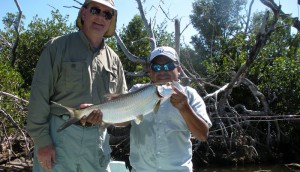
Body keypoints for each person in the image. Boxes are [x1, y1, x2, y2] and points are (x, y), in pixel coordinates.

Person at [26, 0, 127, 171]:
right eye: (95, 10)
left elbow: (124, 113)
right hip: (60, 137)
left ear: (111, 20)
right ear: (84, 12)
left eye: (107, 14)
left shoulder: (115, 60)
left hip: (97, 141)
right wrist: (42, 142)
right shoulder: (57, 47)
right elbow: (39, 97)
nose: (100, 17)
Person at [127, 46, 212, 172]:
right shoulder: (137, 91)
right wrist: (99, 114)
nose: (162, 71)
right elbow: (120, 120)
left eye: (168, 66)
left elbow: (202, 135)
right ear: (150, 71)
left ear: (178, 70)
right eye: (156, 67)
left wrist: (185, 108)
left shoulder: (190, 95)